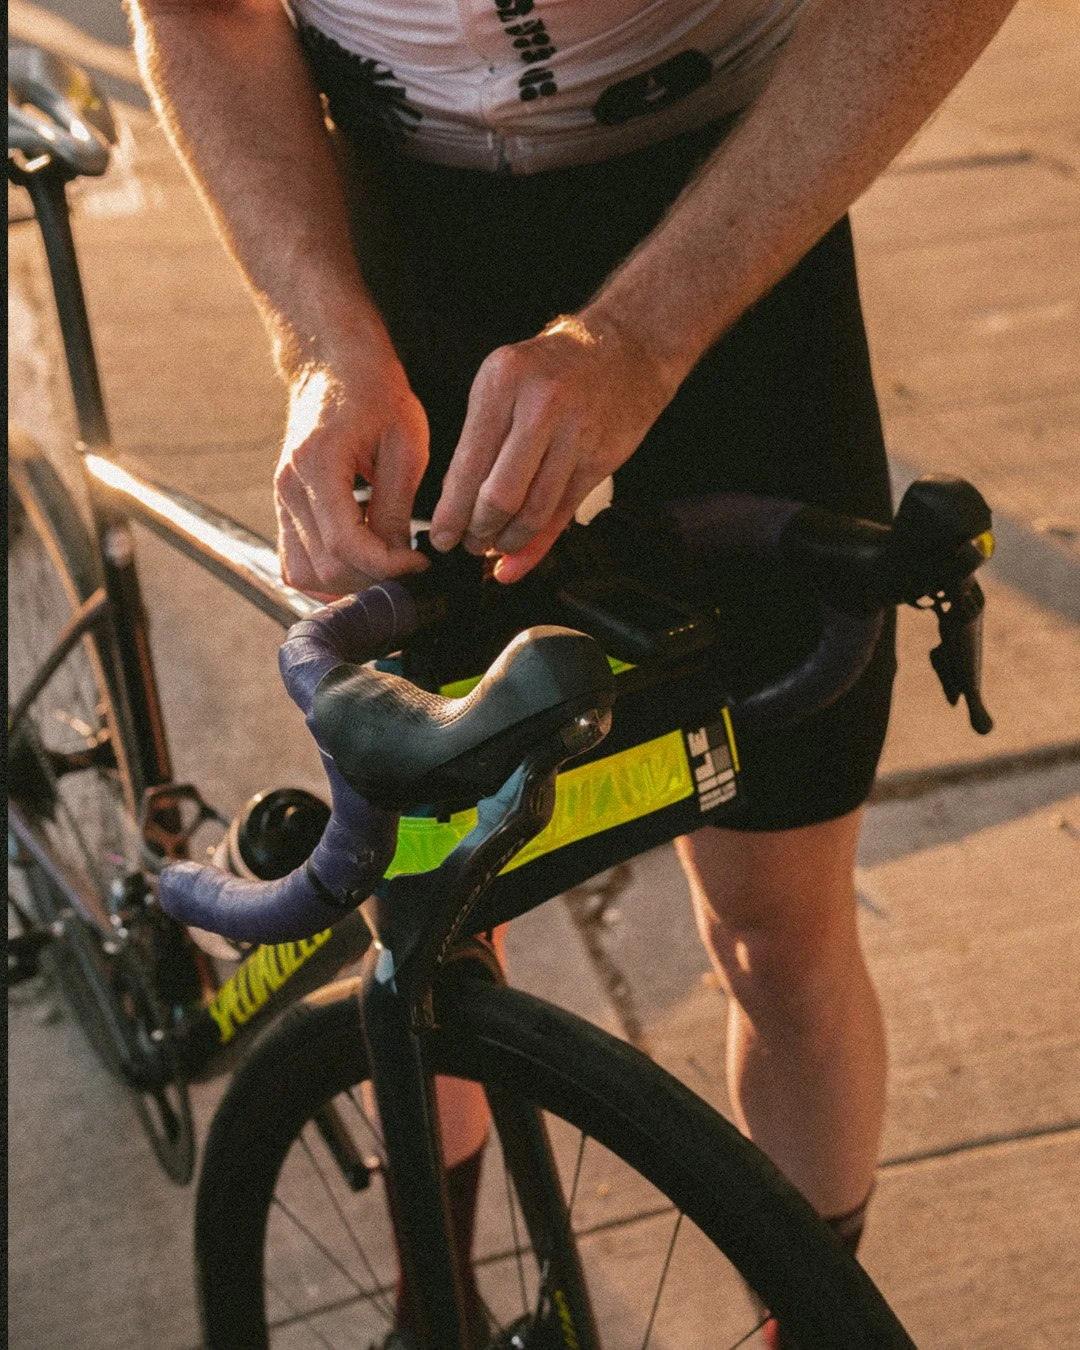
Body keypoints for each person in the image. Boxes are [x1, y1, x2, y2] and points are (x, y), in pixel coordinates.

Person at [131, 0, 1017, 1342]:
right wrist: (317, 336)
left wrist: (647, 334)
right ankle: (436, 1301)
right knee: (428, 910)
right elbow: (203, 12)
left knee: (780, 929)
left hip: (731, 200)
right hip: (410, 233)